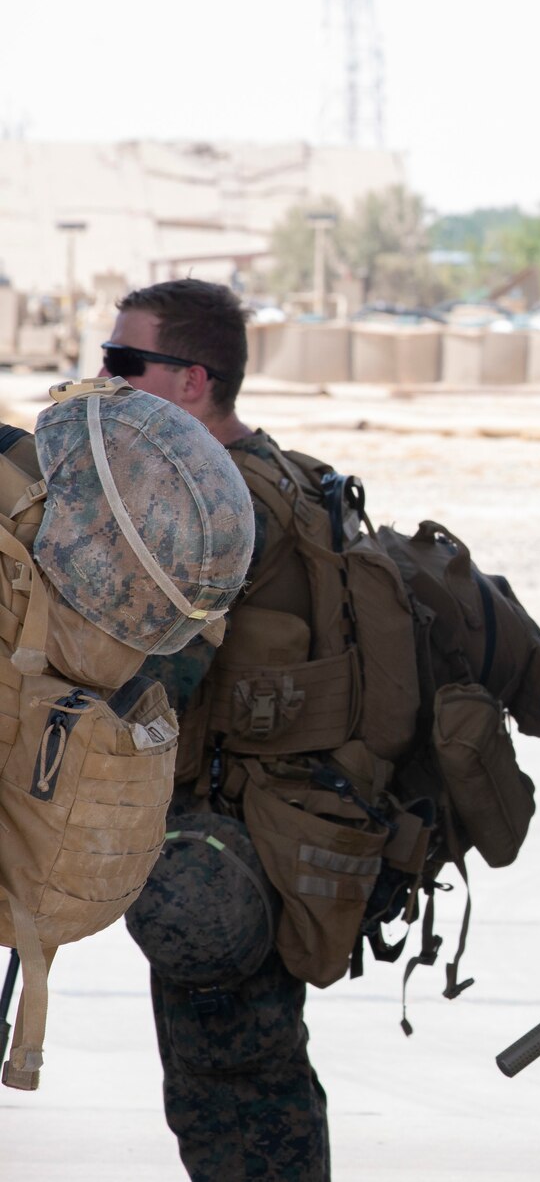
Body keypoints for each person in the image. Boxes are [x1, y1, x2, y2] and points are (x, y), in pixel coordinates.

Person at [105, 279, 334, 1182]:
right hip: (279, 823)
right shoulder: (284, 473)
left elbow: (152, 680)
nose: (109, 382)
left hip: (224, 845)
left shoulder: (210, 506)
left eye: (128, 363)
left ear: (192, 380)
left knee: (227, 1092)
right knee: (261, 1078)